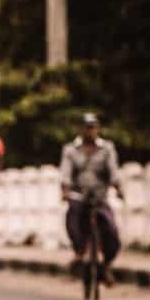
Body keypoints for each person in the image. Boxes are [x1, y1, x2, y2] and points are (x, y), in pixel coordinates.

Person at [60, 112, 123, 284]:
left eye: (93, 127)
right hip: (78, 196)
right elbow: (65, 173)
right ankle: (79, 253)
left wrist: (118, 188)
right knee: (72, 221)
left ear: (98, 129)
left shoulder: (107, 148)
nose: (90, 131)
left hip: (100, 197)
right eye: (86, 127)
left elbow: (113, 172)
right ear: (81, 129)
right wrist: (65, 191)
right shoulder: (70, 150)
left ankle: (107, 265)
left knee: (111, 231)